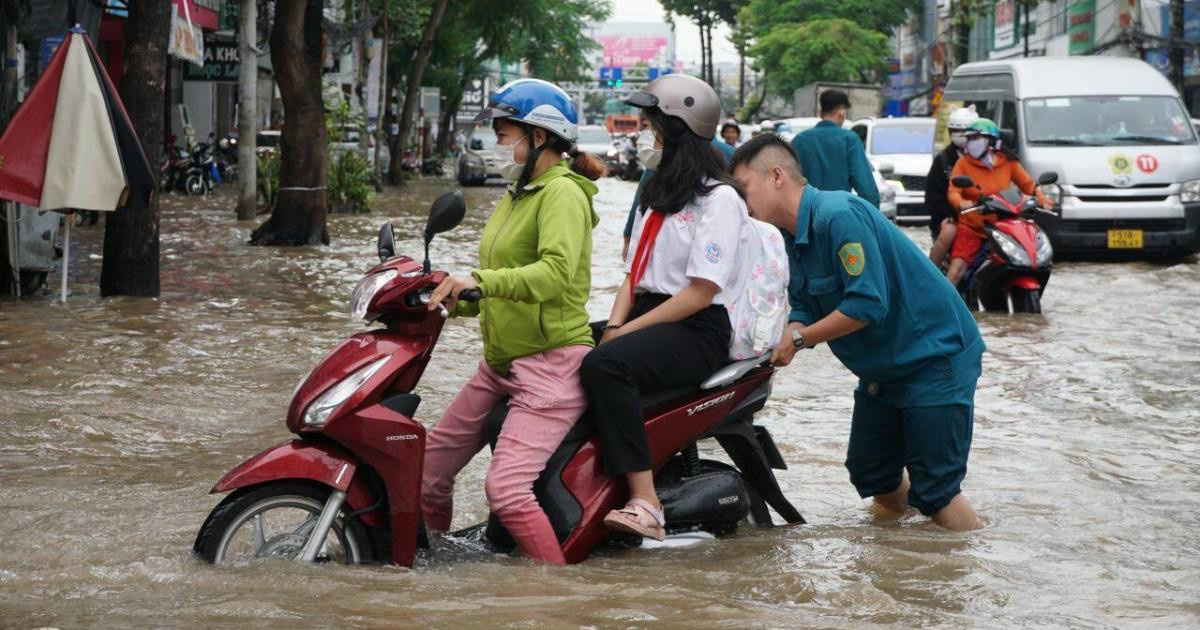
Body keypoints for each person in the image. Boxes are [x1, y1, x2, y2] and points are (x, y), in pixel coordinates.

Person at [729, 133, 985, 531]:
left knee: (936, 490)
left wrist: (799, 339)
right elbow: (804, 305)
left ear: (776, 176)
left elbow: (867, 304)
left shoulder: (838, 215)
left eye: (743, 189)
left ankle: (965, 563)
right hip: (885, 369)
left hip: (936, 358)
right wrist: (790, 334)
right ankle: (906, 552)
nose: (740, 203)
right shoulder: (788, 236)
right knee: (872, 473)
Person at [421, 79, 606, 565]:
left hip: (550, 365)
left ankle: (554, 593)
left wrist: (479, 280)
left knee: (505, 490)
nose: (500, 144)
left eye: (506, 134)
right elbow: (501, 281)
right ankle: (427, 565)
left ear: (538, 136)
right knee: (427, 471)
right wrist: (451, 296)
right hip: (501, 360)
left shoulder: (561, 194)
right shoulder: (518, 193)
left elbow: (553, 275)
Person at [581, 74, 753, 541]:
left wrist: (623, 334)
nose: (645, 133)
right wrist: (616, 322)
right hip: (647, 313)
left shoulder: (719, 200)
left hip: (696, 326)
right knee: (565, 350)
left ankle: (645, 502)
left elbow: (699, 293)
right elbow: (631, 277)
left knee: (606, 364)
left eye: (653, 124)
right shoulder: (657, 195)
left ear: (677, 130)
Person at [945, 118, 1051, 286]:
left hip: (1004, 226)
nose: (972, 143)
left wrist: (1042, 198)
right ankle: (945, 304)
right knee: (957, 269)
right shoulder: (963, 163)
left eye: (976, 138)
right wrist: (961, 202)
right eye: (970, 139)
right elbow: (953, 191)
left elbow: (1027, 185)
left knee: (1034, 259)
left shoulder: (1009, 162)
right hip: (974, 227)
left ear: (991, 141)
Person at [621, 114, 735, 260]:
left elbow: (643, 195)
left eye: (652, 126)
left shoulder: (665, 156)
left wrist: (629, 235)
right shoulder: (731, 156)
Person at [790, 89, 880, 208]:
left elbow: (789, 181)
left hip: (806, 214)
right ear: (841, 113)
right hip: (839, 214)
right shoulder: (849, 140)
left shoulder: (800, 140)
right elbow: (867, 189)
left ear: (821, 113)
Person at [925, 105, 978, 266]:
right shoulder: (943, 160)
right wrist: (949, 213)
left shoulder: (986, 157)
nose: (960, 136)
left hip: (982, 214)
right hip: (952, 216)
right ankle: (931, 276)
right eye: (955, 131)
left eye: (964, 131)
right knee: (948, 233)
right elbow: (933, 195)